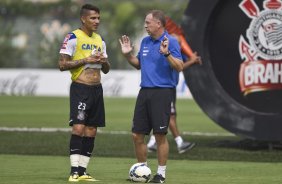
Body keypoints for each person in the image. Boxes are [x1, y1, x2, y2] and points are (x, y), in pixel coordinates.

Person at [119, 10, 183, 183]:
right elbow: (138, 64)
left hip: (162, 92)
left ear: (159, 24)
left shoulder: (172, 42)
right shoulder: (145, 41)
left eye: (148, 22)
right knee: (137, 135)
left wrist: (167, 53)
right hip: (144, 92)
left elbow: (180, 67)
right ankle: (142, 171)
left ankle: (160, 175)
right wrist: (127, 55)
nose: (145, 25)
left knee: (160, 135)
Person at [58, 4, 110, 182]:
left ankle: (82, 171)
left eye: (98, 18)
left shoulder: (100, 40)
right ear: (83, 19)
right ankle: (73, 171)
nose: (97, 21)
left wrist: (103, 61)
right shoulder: (72, 37)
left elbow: (107, 69)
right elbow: (62, 64)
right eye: (93, 18)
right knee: (79, 127)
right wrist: (85, 60)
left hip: (97, 89)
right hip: (81, 89)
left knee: (92, 130)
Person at [147, 17, 202, 154]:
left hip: (170, 85)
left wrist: (192, 59)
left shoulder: (172, 45)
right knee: (169, 115)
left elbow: (180, 64)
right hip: (165, 86)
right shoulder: (168, 42)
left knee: (166, 114)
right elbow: (178, 66)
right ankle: (179, 142)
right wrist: (193, 60)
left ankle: (153, 141)